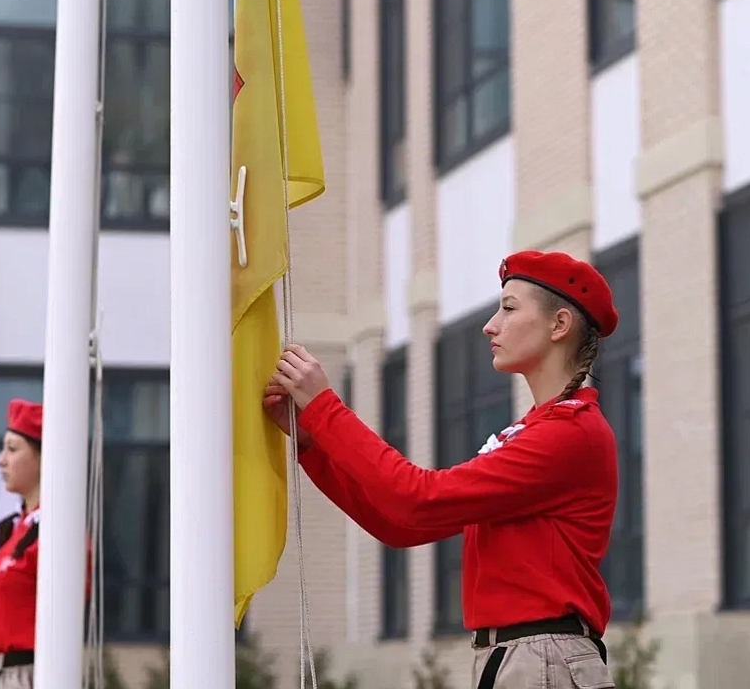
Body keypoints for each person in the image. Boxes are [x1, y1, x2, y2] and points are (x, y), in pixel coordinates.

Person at [265, 250, 620, 689]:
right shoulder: (537, 431)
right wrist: (313, 445)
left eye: (509, 308)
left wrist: (324, 407)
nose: (491, 325)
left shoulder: (568, 434)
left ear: (559, 325)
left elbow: (416, 499)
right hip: (523, 657)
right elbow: (402, 525)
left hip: (540, 657)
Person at [0, 399, 43, 689]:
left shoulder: (55, 533)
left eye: (13, 449)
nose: (1, 460)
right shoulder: (19, 528)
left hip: (26, 675)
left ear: (43, 457)